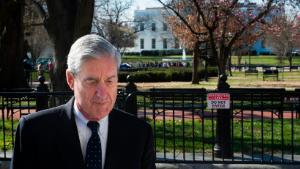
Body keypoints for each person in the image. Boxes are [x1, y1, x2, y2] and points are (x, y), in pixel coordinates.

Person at [10, 34, 156, 169]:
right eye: (92, 81)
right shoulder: (34, 131)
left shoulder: (140, 134)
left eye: (110, 81)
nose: (102, 93)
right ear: (70, 80)